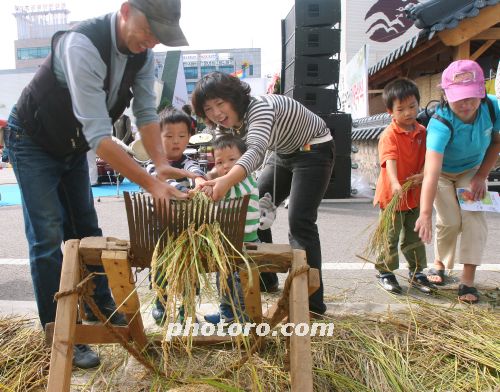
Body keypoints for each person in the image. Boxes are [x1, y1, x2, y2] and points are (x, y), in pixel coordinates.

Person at [4, 0, 191, 369]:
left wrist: (160, 165)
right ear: (125, 11)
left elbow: (146, 113)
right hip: (33, 140)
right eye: (149, 29)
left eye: (160, 35)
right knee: (47, 238)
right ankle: (61, 332)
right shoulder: (81, 45)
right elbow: (99, 134)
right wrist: (149, 184)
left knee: (86, 231)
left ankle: (101, 306)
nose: (152, 40)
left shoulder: (142, 53)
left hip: (72, 145)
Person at [192, 71, 334, 317]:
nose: (216, 113)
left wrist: (225, 182)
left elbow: (255, 151)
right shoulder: (227, 126)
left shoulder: (260, 108)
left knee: (300, 221)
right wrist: (207, 180)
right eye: (208, 108)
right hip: (283, 153)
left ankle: (312, 305)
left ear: (234, 98)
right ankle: (267, 279)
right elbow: (224, 160)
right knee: (252, 206)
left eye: (220, 103)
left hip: (314, 149)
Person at [415, 60, 500, 304]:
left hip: (471, 169)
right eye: (460, 98)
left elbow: (496, 142)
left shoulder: (493, 108)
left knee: (473, 217)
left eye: (472, 97)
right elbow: (431, 172)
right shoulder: (440, 123)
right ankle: (440, 263)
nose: (467, 104)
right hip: (442, 172)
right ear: (445, 95)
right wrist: (424, 214)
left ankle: (468, 280)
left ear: (482, 92)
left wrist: (482, 175)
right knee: (450, 220)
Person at [373, 78, 434, 295]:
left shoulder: (424, 132)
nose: (408, 112)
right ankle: (385, 271)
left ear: (419, 104)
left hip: (415, 194)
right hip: (393, 195)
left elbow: (431, 156)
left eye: (412, 106)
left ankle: (416, 272)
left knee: (414, 235)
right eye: (401, 109)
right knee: (389, 235)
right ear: (391, 111)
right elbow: (390, 161)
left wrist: (425, 173)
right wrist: (396, 183)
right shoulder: (389, 135)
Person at [149, 107, 206, 324]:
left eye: (182, 136)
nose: (176, 141)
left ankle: (187, 305)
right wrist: (179, 189)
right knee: (162, 266)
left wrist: (199, 180)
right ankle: (160, 303)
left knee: (189, 267)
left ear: (189, 138)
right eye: (169, 136)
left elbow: (197, 172)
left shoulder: (189, 162)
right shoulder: (153, 163)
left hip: (187, 229)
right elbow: (159, 180)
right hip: (160, 229)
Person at [202, 134, 260, 324]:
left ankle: (243, 316)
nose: (225, 166)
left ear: (244, 162)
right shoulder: (223, 181)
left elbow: (220, 193)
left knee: (240, 279)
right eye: (219, 162)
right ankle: (226, 312)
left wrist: (209, 186)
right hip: (226, 243)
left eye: (232, 160)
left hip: (246, 243)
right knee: (223, 278)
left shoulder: (246, 181)